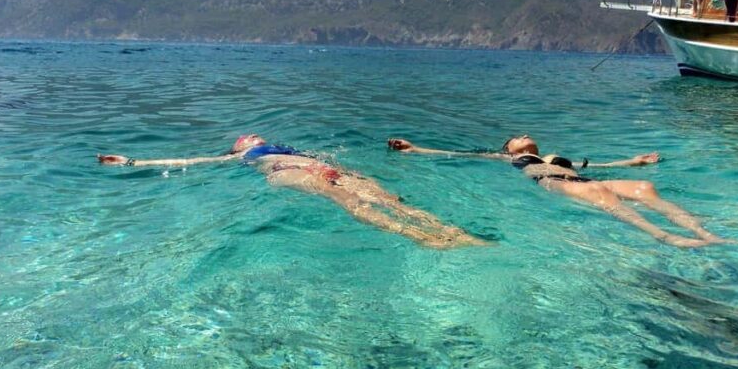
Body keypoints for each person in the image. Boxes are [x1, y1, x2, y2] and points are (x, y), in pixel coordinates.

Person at [97, 134, 485, 249]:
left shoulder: (285, 146)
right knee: (346, 200)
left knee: (390, 198)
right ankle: (421, 237)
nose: (250, 136)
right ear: (237, 148)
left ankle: (453, 233)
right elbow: (191, 161)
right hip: (288, 174)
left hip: (323, 167)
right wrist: (132, 162)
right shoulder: (244, 157)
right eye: (243, 138)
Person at [387, 136, 727, 248]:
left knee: (644, 187)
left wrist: (635, 162)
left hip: (577, 178)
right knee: (604, 197)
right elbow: (455, 155)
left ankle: (701, 231)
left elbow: (600, 166)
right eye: (515, 137)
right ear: (509, 149)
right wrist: (415, 149)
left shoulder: (557, 156)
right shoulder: (512, 158)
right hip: (554, 183)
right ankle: (666, 237)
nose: (523, 135)